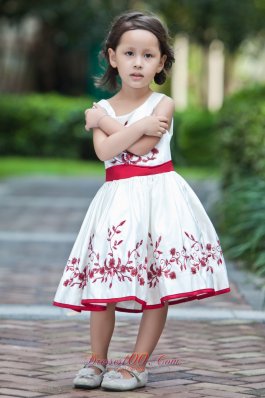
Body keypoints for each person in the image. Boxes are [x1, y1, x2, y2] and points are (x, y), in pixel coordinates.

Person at [53, 10, 230, 392]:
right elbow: (106, 154)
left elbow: (143, 146)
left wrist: (104, 121)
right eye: (130, 53)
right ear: (113, 56)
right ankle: (97, 360)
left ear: (161, 62)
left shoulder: (161, 105)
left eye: (148, 55)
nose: (138, 62)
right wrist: (118, 123)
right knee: (104, 282)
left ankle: (136, 365)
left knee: (156, 280)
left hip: (160, 199)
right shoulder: (102, 107)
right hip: (116, 203)